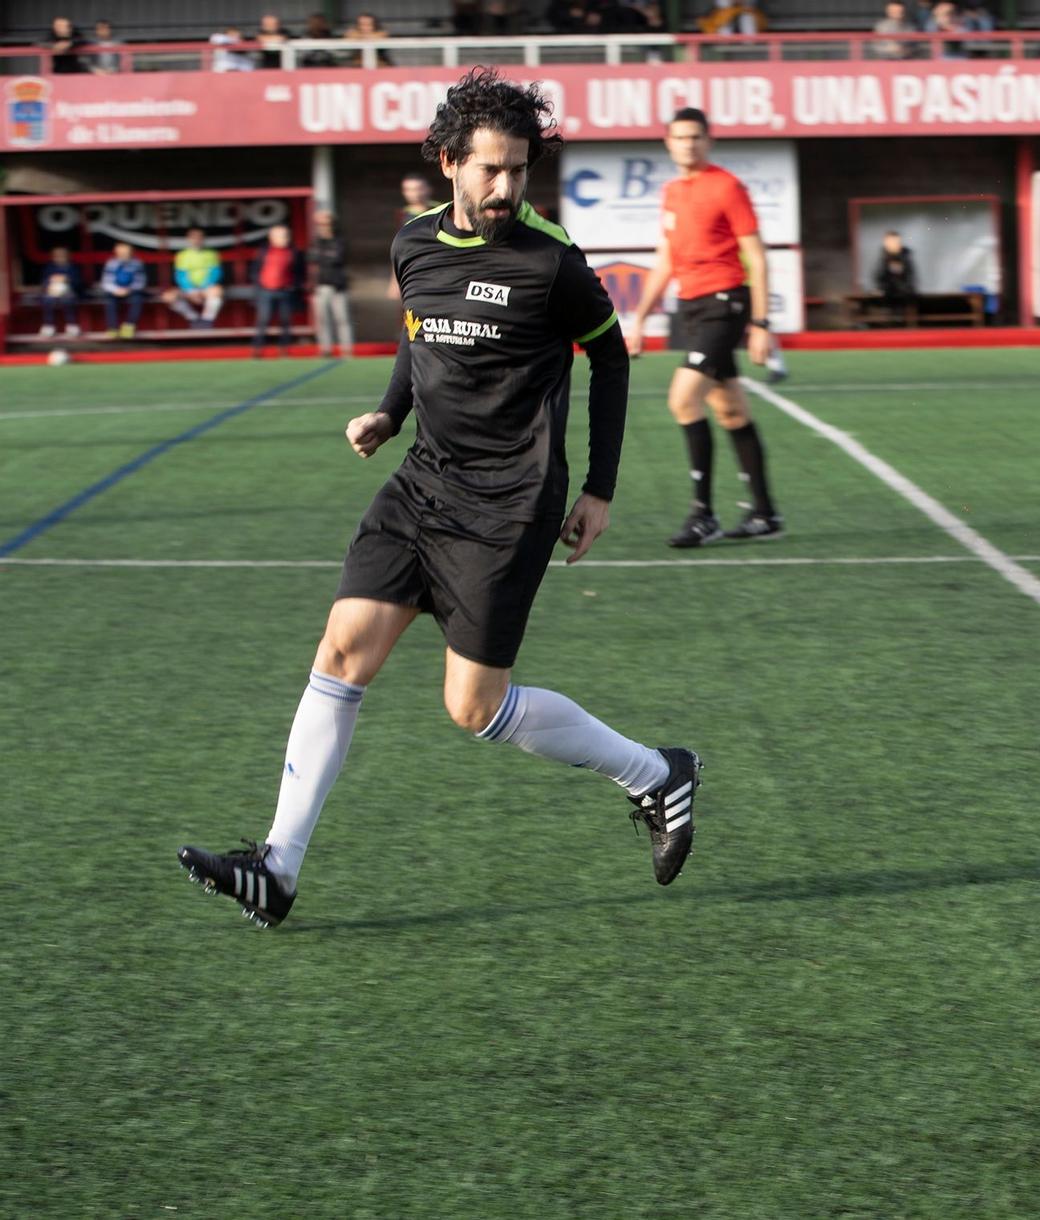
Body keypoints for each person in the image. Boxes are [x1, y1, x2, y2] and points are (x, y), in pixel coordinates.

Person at [177, 67, 699, 928]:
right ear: (450, 162)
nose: (506, 188)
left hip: (512, 499)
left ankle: (656, 774)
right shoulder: (413, 244)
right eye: (491, 170)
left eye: (520, 171)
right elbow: (419, 333)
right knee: (341, 652)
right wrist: (389, 412)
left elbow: (610, 359)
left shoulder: (551, 261)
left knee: (474, 707)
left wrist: (600, 490)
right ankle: (277, 868)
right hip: (424, 478)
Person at [626, 107, 784, 547]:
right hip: (691, 307)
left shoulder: (728, 186)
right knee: (731, 409)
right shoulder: (673, 192)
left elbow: (756, 255)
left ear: (708, 141)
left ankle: (703, 514)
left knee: (682, 400)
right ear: (668, 143)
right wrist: (639, 317)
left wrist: (761, 322)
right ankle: (765, 513)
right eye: (680, 137)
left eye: (696, 137)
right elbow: (665, 258)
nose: (688, 144)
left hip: (724, 303)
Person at [251, 223, 307, 358]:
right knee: (263, 320)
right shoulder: (264, 251)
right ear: (272, 237)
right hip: (266, 291)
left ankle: (284, 350)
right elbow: (255, 269)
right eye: (281, 236)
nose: (285, 238)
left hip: (285, 291)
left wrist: (294, 285)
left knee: (285, 321)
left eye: (286, 235)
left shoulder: (294, 252)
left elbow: (300, 272)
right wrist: (259, 284)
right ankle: (257, 350)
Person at [311, 210, 355, 358]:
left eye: (327, 223)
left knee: (342, 318)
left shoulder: (339, 240)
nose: (324, 226)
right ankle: (325, 348)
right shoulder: (316, 241)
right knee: (322, 319)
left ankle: (346, 349)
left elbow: (337, 258)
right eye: (321, 224)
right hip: (322, 284)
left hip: (338, 285)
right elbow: (312, 257)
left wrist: (324, 256)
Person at [165, 228, 224, 328]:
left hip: (206, 288)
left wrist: (203, 287)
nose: (196, 240)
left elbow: (215, 273)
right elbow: (180, 275)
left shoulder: (211, 253)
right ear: (188, 239)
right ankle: (193, 318)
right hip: (188, 289)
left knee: (217, 291)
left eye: (199, 238)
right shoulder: (182, 255)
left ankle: (207, 320)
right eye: (193, 238)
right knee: (168, 296)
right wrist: (191, 290)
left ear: (203, 239)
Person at [99, 241, 147, 337]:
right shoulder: (111, 264)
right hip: (115, 291)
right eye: (121, 253)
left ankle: (129, 326)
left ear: (131, 252)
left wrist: (129, 289)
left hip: (132, 291)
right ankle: (113, 328)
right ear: (116, 253)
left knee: (138, 300)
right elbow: (106, 282)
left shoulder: (137, 264)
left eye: (126, 253)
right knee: (110, 301)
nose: (124, 255)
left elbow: (140, 281)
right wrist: (116, 290)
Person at [38, 247, 82, 337]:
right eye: (57, 256)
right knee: (47, 300)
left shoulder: (73, 267)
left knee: (68, 300)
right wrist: (49, 283)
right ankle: (48, 326)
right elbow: (43, 282)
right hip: (51, 292)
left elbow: (79, 283)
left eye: (62, 256)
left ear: (67, 256)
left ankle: (71, 326)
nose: (60, 258)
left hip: (69, 292)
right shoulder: (49, 267)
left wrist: (67, 279)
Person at [875, 230, 916, 307]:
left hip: (904, 297)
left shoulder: (906, 257)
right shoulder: (882, 259)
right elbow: (878, 279)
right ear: (885, 243)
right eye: (890, 242)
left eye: (895, 242)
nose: (893, 245)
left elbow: (911, 279)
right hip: (887, 297)